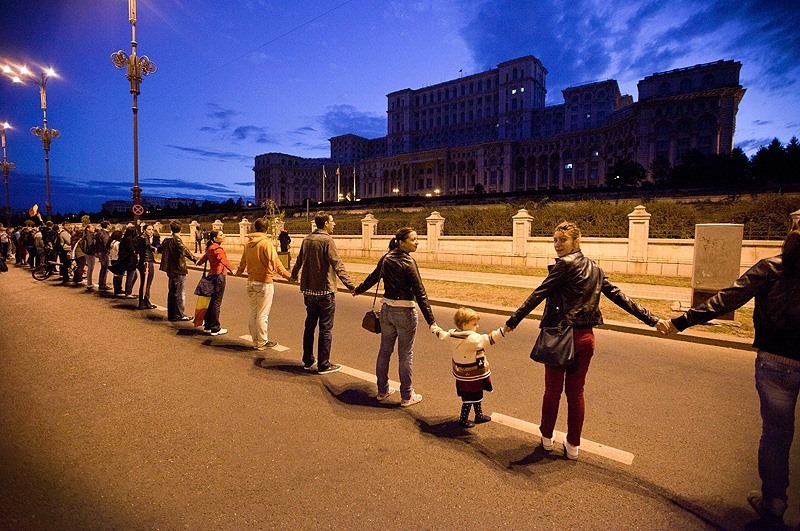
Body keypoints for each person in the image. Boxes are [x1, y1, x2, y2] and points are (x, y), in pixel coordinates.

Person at [658, 229, 800, 526]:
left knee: (777, 435)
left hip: (777, 362)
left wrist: (680, 322)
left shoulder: (772, 268)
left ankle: (774, 504)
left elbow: (726, 299)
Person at [504, 221, 659, 460]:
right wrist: (652, 319)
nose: (557, 245)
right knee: (576, 393)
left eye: (562, 240)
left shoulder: (564, 265)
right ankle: (573, 445)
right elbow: (619, 296)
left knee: (552, 391)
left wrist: (512, 321)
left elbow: (538, 293)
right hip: (586, 338)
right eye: (555, 240)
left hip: (561, 336)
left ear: (576, 241)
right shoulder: (595, 268)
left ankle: (546, 439)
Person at [353, 227, 438, 405]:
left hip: (386, 311)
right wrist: (432, 322)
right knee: (405, 354)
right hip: (405, 312)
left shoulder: (386, 258)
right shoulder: (408, 262)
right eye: (413, 239)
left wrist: (358, 290)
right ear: (401, 242)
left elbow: (372, 278)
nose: (417, 242)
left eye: (417, 239)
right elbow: (420, 292)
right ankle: (407, 396)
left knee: (385, 351)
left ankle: (382, 390)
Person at [290, 212, 355, 374]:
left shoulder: (307, 240)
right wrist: (350, 285)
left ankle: (307, 359)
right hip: (325, 291)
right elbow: (337, 263)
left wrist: (293, 275)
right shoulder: (327, 240)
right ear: (325, 223)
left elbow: (299, 260)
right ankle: (324, 364)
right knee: (325, 329)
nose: (334, 224)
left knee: (309, 326)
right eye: (332, 222)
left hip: (309, 291)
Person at [432, 307, 505, 427]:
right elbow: (488, 339)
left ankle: (478, 415)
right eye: (474, 324)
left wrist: (433, 327)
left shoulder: (452, 335)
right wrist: (503, 330)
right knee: (471, 397)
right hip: (473, 374)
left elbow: (441, 334)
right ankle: (463, 419)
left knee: (474, 395)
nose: (477, 326)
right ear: (465, 325)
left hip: (461, 373)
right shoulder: (472, 339)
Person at [235, 218, 292, 351]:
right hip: (264, 283)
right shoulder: (266, 244)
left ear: (255, 228)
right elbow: (275, 262)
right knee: (262, 314)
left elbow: (243, 263)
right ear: (266, 230)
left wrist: (237, 272)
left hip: (250, 282)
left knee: (254, 312)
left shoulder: (248, 243)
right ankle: (262, 342)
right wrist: (287, 275)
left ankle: (256, 340)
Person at [196, 230, 235, 336]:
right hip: (219, 276)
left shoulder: (210, 248)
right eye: (221, 235)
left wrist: (197, 263)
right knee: (216, 302)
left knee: (211, 301)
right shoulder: (218, 248)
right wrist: (232, 269)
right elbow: (222, 259)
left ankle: (208, 326)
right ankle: (215, 328)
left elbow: (204, 258)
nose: (223, 236)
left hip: (211, 276)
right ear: (214, 238)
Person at [160, 220, 197, 321]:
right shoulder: (177, 240)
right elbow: (185, 250)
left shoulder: (166, 240)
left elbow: (160, 249)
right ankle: (179, 314)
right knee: (180, 293)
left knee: (171, 292)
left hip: (170, 270)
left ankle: (171, 314)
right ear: (181, 228)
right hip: (179, 269)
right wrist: (194, 259)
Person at [135, 224, 158, 310]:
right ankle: (144, 303)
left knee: (146, 283)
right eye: (149, 229)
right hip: (146, 262)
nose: (151, 231)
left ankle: (146, 302)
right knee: (146, 283)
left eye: (152, 229)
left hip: (145, 261)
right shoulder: (144, 237)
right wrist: (154, 249)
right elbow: (147, 245)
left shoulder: (142, 237)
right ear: (144, 230)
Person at [95, 221, 112, 292]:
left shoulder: (99, 232)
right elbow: (106, 244)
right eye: (109, 225)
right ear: (107, 226)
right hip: (103, 253)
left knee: (103, 268)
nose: (110, 226)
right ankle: (102, 285)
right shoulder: (104, 234)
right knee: (104, 268)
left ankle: (101, 284)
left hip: (100, 252)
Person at [107, 229, 124, 297]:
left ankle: (116, 289)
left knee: (115, 275)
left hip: (113, 259)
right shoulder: (118, 243)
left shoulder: (111, 242)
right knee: (119, 275)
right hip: (117, 259)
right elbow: (119, 252)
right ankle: (118, 289)